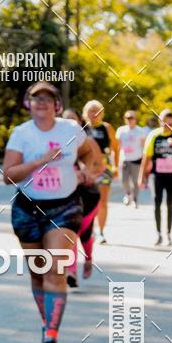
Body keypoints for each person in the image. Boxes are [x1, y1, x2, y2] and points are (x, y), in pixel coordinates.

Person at [3, 83, 102, 343]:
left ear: (57, 104)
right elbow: (8, 175)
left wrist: (85, 169)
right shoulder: (21, 134)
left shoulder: (70, 130)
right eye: (36, 98)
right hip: (27, 209)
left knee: (55, 270)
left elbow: (88, 153)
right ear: (28, 103)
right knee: (37, 274)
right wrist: (41, 161)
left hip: (64, 207)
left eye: (48, 98)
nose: (42, 102)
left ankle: (51, 336)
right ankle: (47, 324)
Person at [63, 110, 101, 288]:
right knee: (71, 232)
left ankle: (88, 259)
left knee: (84, 234)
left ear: (80, 121)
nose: (69, 122)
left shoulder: (88, 142)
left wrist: (87, 174)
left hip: (88, 195)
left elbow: (99, 166)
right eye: (65, 119)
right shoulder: (57, 142)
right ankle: (71, 272)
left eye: (73, 119)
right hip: (67, 196)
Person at [138, 109, 172, 246]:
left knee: (170, 205)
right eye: (165, 123)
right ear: (160, 121)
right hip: (157, 175)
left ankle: (169, 234)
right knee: (157, 203)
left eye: (170, 124)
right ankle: (159, 234)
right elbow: (146, 157)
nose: (167, 126)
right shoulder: (153, 135)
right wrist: (141, 177)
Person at [82, 100, 119, 243]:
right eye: (91, 111)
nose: (94, 114)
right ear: (86, 113)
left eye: (97, 111)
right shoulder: (81, 128)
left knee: (102, 200)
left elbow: (116, 148)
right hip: (85, 168)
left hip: (104, 168)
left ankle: (101, 232)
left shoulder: (107, 128)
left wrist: (115, 166)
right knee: (85, 200)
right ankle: (87, 229)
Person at [116, 111, 148, 207]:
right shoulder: (121, 130)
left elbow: (144, 146)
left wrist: (145, 159)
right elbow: (117, 146)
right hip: (124, 159)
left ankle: (135, 199)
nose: (130, 120)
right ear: (125, 119)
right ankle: (128, 194)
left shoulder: (140, 131)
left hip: (137, 159)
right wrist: (116, 160)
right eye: (127, 118)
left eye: (131, 118)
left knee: (135, 181)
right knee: (124, 180)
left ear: (135, 119)